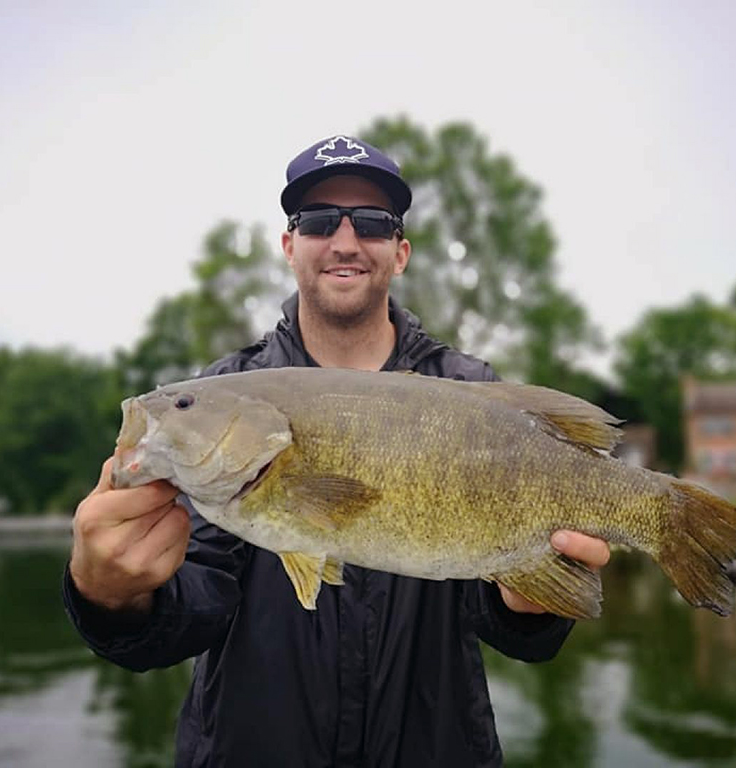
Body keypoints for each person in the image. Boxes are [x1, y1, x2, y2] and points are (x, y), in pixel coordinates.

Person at [64, 134, 611, 767]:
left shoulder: (469, 392)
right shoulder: (227, 388)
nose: (346, 242)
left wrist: (529, 604)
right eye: (321, 221)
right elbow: (197, 604)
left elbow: (505, 623)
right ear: (289, 245)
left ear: (399, 253)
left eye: (373, 224)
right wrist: (113, 597)